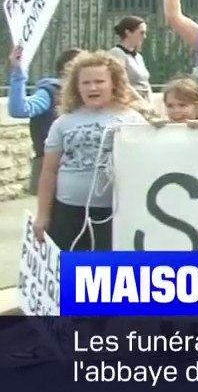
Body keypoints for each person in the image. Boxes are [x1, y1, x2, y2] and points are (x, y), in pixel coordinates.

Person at [33, 51, 147, 251]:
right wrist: (43, 215)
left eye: (99, 81)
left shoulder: (134, 120)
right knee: (71, 276)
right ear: (76, 87)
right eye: (85, 82)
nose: (92, 87)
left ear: (114, 83)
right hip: (67, 213)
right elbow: (49, 171)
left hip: (115, 214)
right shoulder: (63, 123)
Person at [8, 46, 82, 195]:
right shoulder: (50, 92)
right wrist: (18, 74)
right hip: (51, 167)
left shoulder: (89, 93)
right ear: (68, 68)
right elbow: (20, 109)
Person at [106, 15, 151, 102]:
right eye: (141, 33)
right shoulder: (116, 53)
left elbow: (145, 82)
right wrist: (139, 100)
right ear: (128, 32)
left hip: (145, 99)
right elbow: (121, 81)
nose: (144, 37)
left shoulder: (138, 57)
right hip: (129, 100)